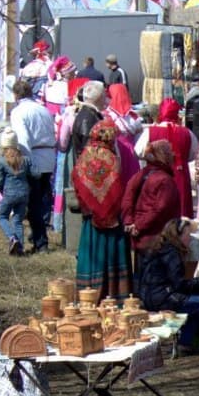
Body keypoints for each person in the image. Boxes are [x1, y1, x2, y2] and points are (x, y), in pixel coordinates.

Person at [136, 217, 199, 355]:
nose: (189, 239)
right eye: (187, 235)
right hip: (163, 298)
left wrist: (198, 287)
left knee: (196, 305)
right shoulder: (172, 254)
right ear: (179, 236)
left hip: (150, 295)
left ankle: (185, 343)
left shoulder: (158, 248)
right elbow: (179, 285)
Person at [72, 119, 130, 294]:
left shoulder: (84, 156)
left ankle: (88, 294)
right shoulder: (113, 159)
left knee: (92, 256)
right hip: (112, 220)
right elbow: (118, 188)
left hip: (91, 219)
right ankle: (112, 293)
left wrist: (87, 205)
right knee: (111, 257)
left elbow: (76, 181)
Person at [9, 80, 56, 254]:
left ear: (16, 95)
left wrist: (26, 163)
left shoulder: (18, 112)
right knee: (43, 199)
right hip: (48, 156)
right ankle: (38, 235)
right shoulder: (43, 109)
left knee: (34, 203)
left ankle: (41, 241)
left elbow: (23, 140)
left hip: (33, 157)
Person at [136, 98, 195, 218]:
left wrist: (151, 157)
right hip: (180, 175)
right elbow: (193, 154)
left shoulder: (150, 131)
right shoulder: (187, 133)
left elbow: (139, 151)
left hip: (156, 175)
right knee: (180, 209)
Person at [121, 139, 181, 257]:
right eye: (169, 152)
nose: (173, 155)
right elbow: (160, 208)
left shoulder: (139, 174)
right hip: (157, 237)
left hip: (140, 236)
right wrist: (138, 225)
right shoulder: (165, 180)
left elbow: (127, 199)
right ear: (164, 156)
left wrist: (130, 222)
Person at [0, 130, 31, 257]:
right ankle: (20, 250)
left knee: (2, 217)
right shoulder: (25, 160)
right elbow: (36, 174)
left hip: (9, 194)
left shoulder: (2, 161)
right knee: (17, 220)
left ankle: (13, 238)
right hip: (24, 194)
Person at [70, 81, 106, 158]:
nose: (106, 98)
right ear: (98, 97)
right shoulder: (88, 118)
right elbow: (88, 148)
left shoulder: (91, 113)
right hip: (91, 166)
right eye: (104, 95)